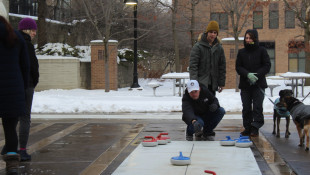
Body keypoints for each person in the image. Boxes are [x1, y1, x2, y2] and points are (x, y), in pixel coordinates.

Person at [0, 15, 29, 174]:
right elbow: (25, 66)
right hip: (12, 89)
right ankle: (12, 165)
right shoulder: (16, 37)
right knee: (10, 127)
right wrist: (22, 88)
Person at [235, 29, 271, 137]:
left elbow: (267, 65)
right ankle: (247, 127)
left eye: (250, 38)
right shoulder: (241, 52)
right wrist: (247, 74)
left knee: (257, 107)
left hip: (258, 84)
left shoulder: (262, 50)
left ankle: (255, 127)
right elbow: (238, 67)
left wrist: (256, 75)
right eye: (246, 38)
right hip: (245, 85)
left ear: (255, 38)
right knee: (246, 107)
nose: (248, 40)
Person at [17, 17, 39, 161]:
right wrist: (34, 81)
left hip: (14, 85)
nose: (34, 33)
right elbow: (32, 67)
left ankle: (10, 148)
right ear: (27, 30)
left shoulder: (12, 43)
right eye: (33, 30)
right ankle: (22, 149)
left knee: (12, 117)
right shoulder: (27, 46)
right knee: (25, 118)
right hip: (26, 86)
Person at [189, 21, 226, 96]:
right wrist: (195, 84)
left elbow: (222, 66)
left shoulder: (219, 48)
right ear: (207, 32)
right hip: (201, 84)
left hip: (213, 84)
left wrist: (221, 83)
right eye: (211, 32)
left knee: (212, 106)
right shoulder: (198, 47)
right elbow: (193, 66)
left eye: (215, 32)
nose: (213, 34)